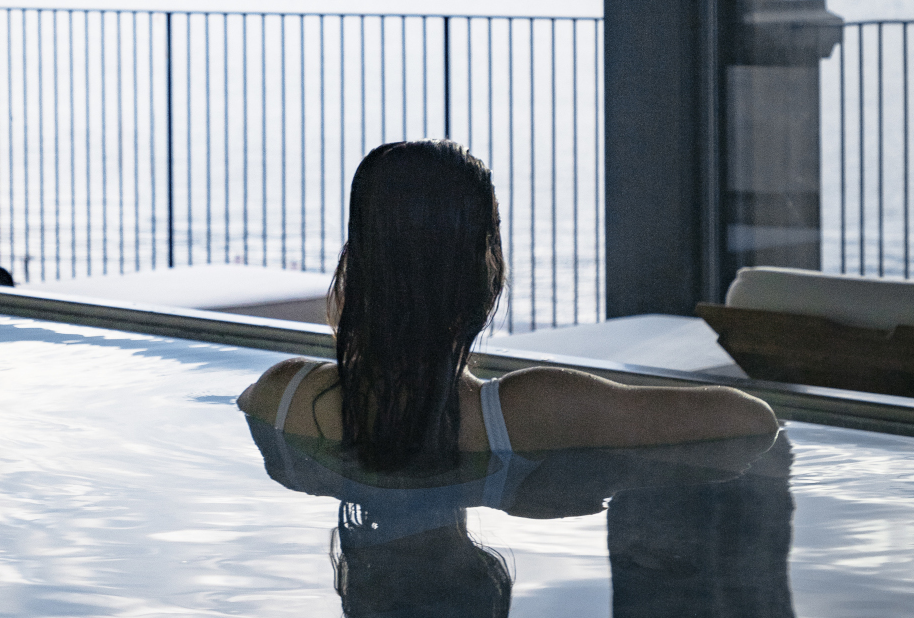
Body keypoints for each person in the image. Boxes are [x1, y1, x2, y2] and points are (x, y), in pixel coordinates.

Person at [238, 139, 776, 467]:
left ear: (356, 266)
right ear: (480, 278)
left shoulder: (282, 396)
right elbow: (752, 417)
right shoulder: (535, 410)